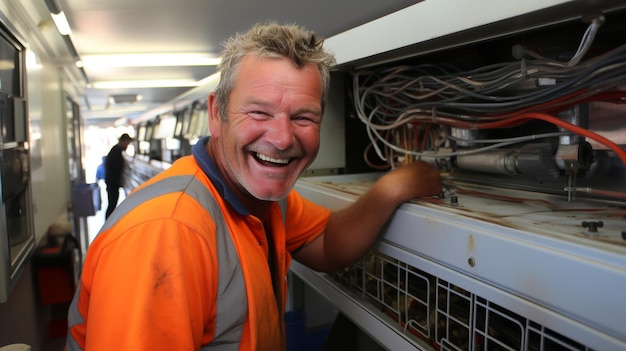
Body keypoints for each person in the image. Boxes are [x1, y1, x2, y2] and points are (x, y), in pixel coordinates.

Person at [66, 22, 441, 350]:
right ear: (216, 114)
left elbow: (326, 242)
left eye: (303, 117)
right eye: (259, 112)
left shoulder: (263, 199)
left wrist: (389, 189)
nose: (281, 138)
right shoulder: (167, 234)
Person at [103, 133, 133, 219]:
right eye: (127, 143)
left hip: (111, 182)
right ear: (123, 141)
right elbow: (116, 168)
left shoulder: (115, 150)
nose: (127, 145)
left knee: (112, 203)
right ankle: (108, 224)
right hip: (113, 182)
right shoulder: (117, 151)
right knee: (112, 204)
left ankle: (108, 223)